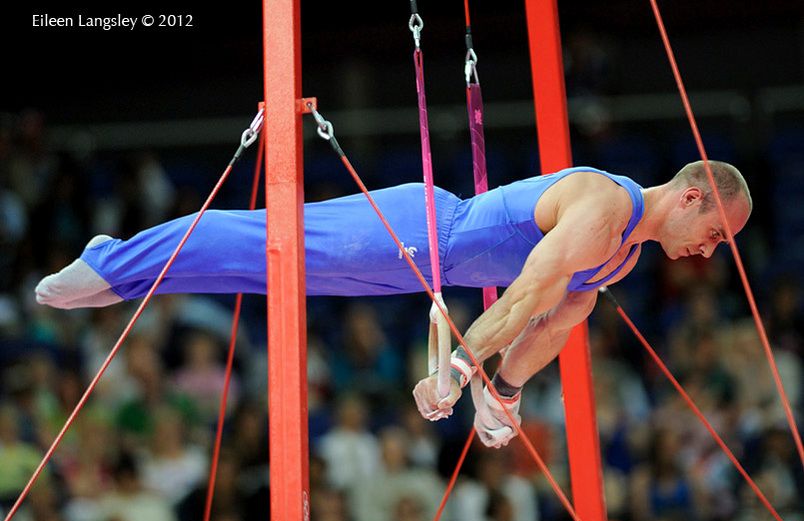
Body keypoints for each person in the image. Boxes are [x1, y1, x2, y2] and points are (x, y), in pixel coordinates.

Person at [35, 162, 752, 447]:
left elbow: (557, 318)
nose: (711, 252)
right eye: (715, 232)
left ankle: (127, 274)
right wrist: (457, 373)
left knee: (262, 276)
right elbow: (527, 292)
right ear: (692, 195)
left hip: (414, 275)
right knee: (257, 242)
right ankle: (112, 257)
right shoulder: (604, 205)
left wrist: (505, 391)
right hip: (416, 230)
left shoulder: (624, 252)